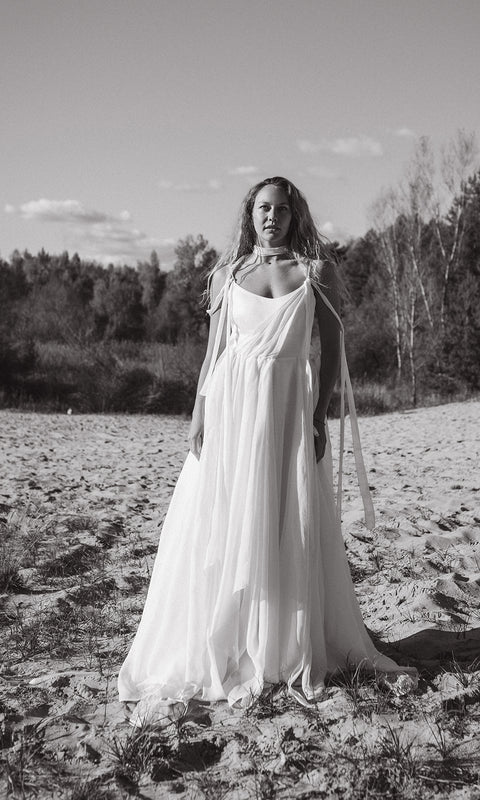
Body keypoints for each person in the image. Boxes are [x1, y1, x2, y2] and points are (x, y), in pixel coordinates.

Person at [118, 176, 417, 725]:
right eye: (262, 208)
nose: (271, 217)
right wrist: (199, 411)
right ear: (250, 214)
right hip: (232, 409)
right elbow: (214, 354)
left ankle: (279, 642)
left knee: (287, 518)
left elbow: (333, 349)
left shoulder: (316, 273)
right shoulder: (228, 275)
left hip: (288, 411)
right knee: (230, 519)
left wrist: (320, 412)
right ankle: (232, 639)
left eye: (281, 208)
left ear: (294, 214)